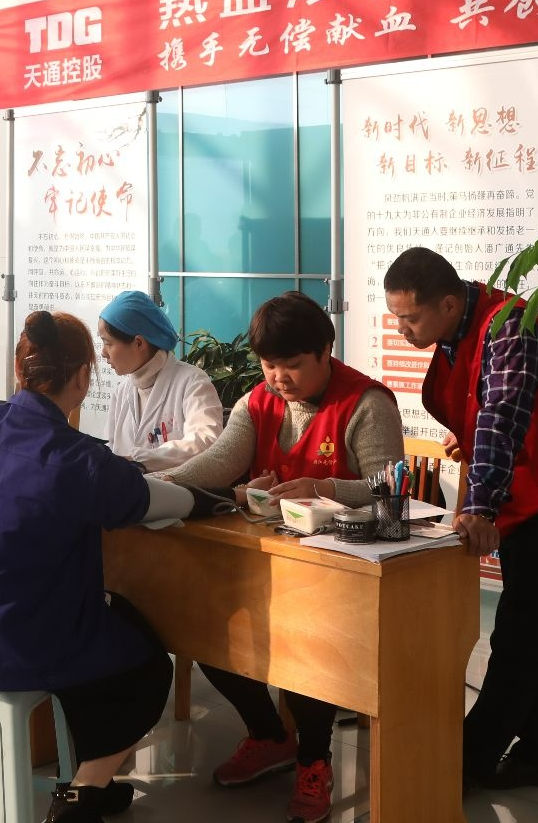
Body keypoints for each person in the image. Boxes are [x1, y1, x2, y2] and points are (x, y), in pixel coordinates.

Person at [0, 310, 183, 823]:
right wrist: (213, 499)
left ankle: (95, 786)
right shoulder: (79, 459)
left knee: (91, 629)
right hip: (19, 647)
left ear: (18, 370)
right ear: (83, 377)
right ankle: (85, 790)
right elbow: (144, 500)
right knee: (146, 661)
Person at [382, 248, 538, 792]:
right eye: (396, 317)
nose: (401, 329)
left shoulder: (509, 325)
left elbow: (502, 415)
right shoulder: (457, 328)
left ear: (447, 304)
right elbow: (481, 407)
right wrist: (466, 439)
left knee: (519, 634)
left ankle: (466, 761)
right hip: (530, 495)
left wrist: (480, 506)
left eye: (409, 318)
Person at [160, 291, 401, 823]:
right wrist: (157, 485)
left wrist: (325, 487)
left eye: (291, 364)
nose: (278, 378)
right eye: (269, 365)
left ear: (325, 351)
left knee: (308, 648)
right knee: (205, 629)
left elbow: (388, 491)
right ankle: (269, 736)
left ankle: (315, 761)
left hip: (339, 572)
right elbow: (219, 462)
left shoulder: (366, 404)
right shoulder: (256, 402)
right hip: (266, 561)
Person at [97, 290, 223, 471]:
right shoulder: (122, 392)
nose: (103, 353)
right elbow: (110, 449)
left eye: (108, 343)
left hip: (176, 488)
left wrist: (138, 461)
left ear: (139, 343)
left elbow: (206, 441)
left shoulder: (192, 382)